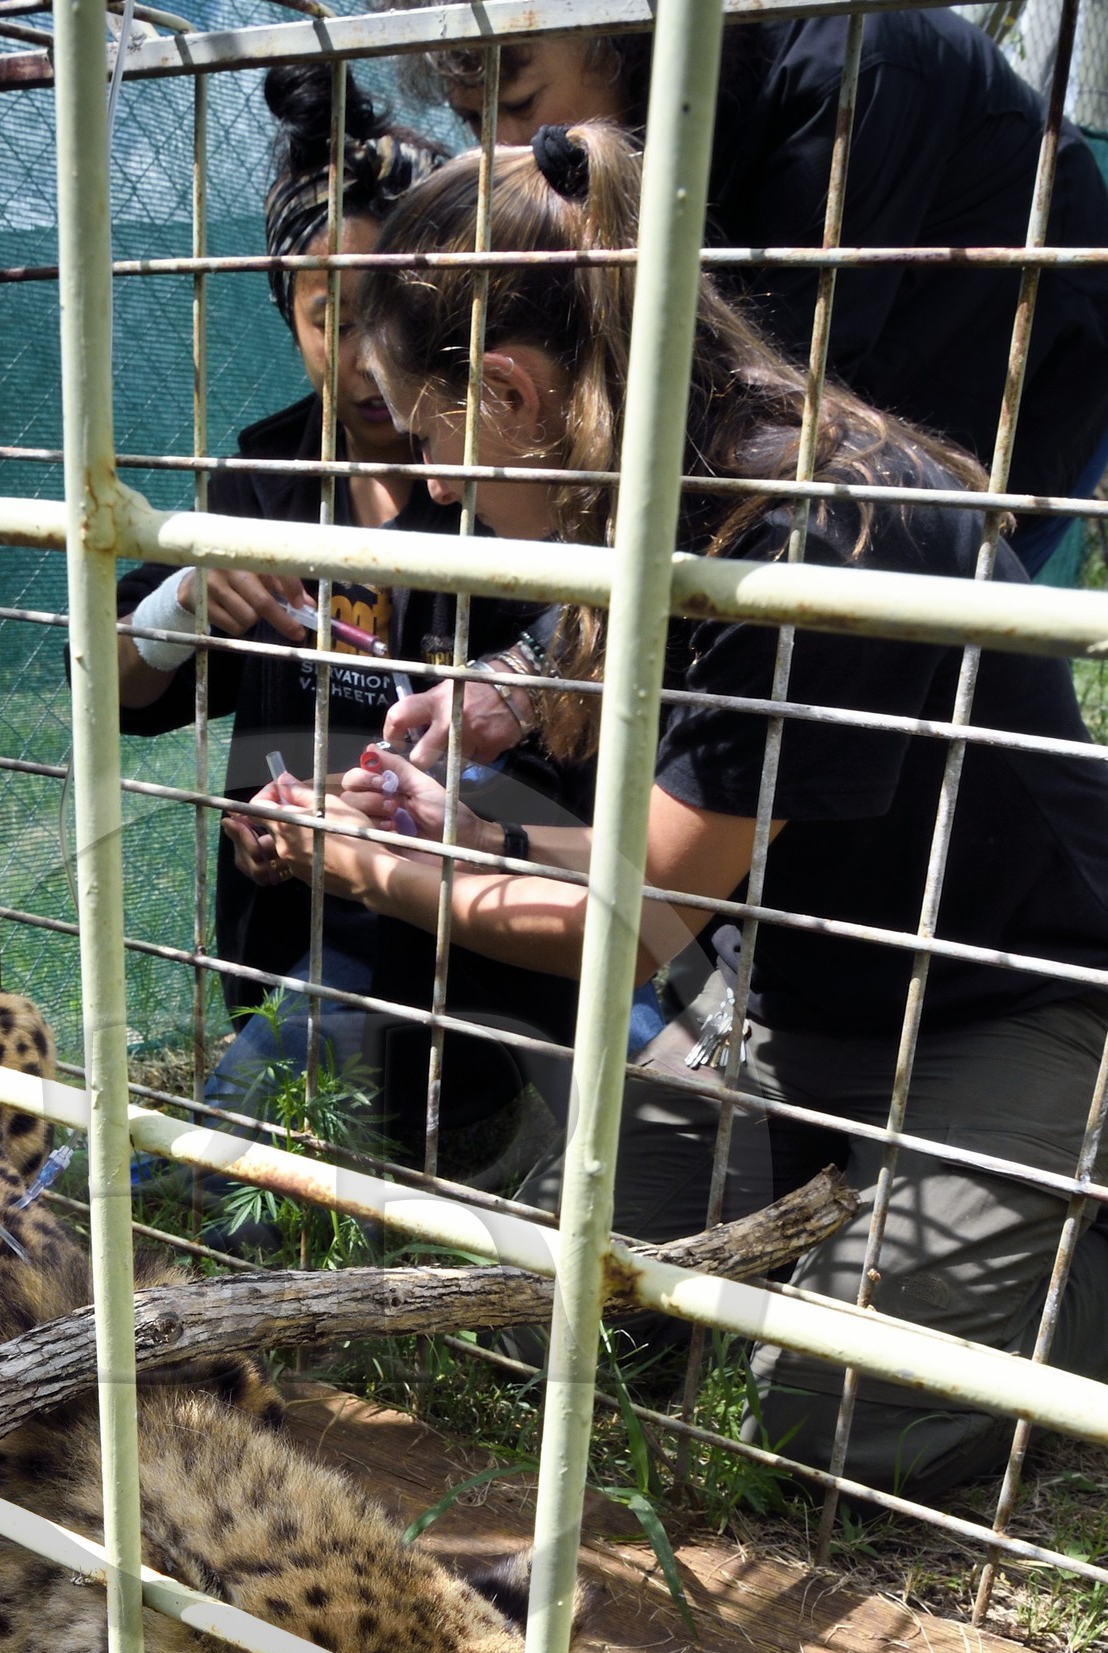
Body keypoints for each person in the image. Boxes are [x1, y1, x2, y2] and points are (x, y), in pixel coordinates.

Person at [233, 122, 1108, 1502]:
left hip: (1014, 997)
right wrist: (477, 821)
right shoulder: (682, 469)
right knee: (569, 1325)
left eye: (432, 435)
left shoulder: (804, 533)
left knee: (828, 1434)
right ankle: (903, 1234)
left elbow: (621, 929)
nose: (440, 487)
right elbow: (676, 862)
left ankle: (1068, 1234)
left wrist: (375, 870)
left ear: (512, 389)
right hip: (797, 981)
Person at [115, 63, 577, 1175]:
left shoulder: (510, 476)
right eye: (331, 318)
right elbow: (123, 687)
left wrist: (386, 820)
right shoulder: (264, 478)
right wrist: (185, 600)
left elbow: (570, 726)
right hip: (289, 944)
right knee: (275, 1199)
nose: (369, 358)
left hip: (485, 956)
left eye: (390, 311)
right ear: (287, 318)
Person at [380, 9, 1108, 581]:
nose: (507, 146)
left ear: (613, 33)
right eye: (476, 121)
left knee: (922, 653)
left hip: (1023, 380)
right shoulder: (669, 110)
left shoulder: (845, 74)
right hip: (849, 395)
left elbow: (755, 406)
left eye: (520, 101)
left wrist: (552, 647)